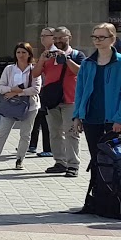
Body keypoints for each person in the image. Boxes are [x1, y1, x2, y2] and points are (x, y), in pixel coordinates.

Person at [74, 23, 121, 218]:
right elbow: (80, 90)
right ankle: (95, 201)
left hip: (113, 119)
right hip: (91, 117)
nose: (97, 40)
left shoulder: (119, 62)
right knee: (95, 159)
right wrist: (77, 115)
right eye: (95, 37)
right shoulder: (87, 63)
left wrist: (119, 118)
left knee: (112, 160)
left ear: (112, 39)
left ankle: (113, 201)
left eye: (102, 37)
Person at [0, 43, 42, 170]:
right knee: (2, 132)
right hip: (11, 104)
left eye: (24, 52)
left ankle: (20, 159)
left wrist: (18, 92)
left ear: (29, 54)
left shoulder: (34, 69)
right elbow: (1, 87)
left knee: (25, 134)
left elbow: (36, 89)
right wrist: (12, 90)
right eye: (18, 52)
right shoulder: (9, 69)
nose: (21, 55)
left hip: (29, 105)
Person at [35, 26, 85, 178]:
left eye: (61, 38)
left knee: (71, 133)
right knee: (55, 132)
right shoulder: (48, 55)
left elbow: (80, 72)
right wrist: (42, 59)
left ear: (69, 37)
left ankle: (73, 165)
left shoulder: (77, 55)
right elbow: (35, 74)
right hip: (52, 100)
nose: (58, 41)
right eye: (55, 38)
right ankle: (60, 162)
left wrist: (66, 58)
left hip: (70, 100)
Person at [28, 27, 57, 159]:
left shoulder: (55, 53)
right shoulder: (44, 52)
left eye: (46, 35)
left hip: (51, 90)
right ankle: (32, 144)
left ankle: (49, 148)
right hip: (42, 90)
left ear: (53, 37)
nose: (42, 38)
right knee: (37, 117)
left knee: (46, 120)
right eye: (41, 35)